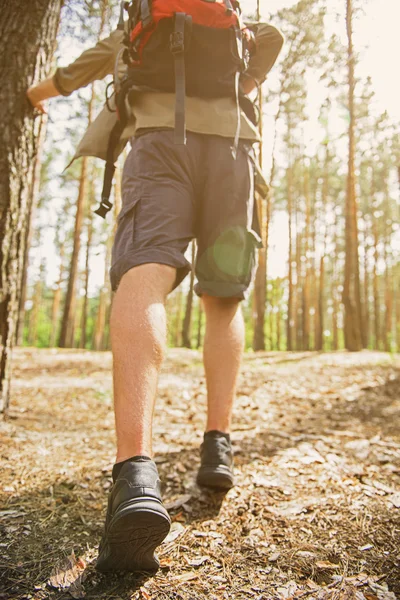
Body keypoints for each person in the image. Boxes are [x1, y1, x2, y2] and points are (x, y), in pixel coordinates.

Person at [27, 4, 284, 573]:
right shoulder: (231, 20)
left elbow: (78, 72)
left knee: (145, 273)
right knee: (224, 298)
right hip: (234, 156)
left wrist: (36, 94)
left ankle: (136, 475)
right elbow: (272, 36)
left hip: (159, 146)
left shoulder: (140, 24)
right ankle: (218, 444)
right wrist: (244, 81)